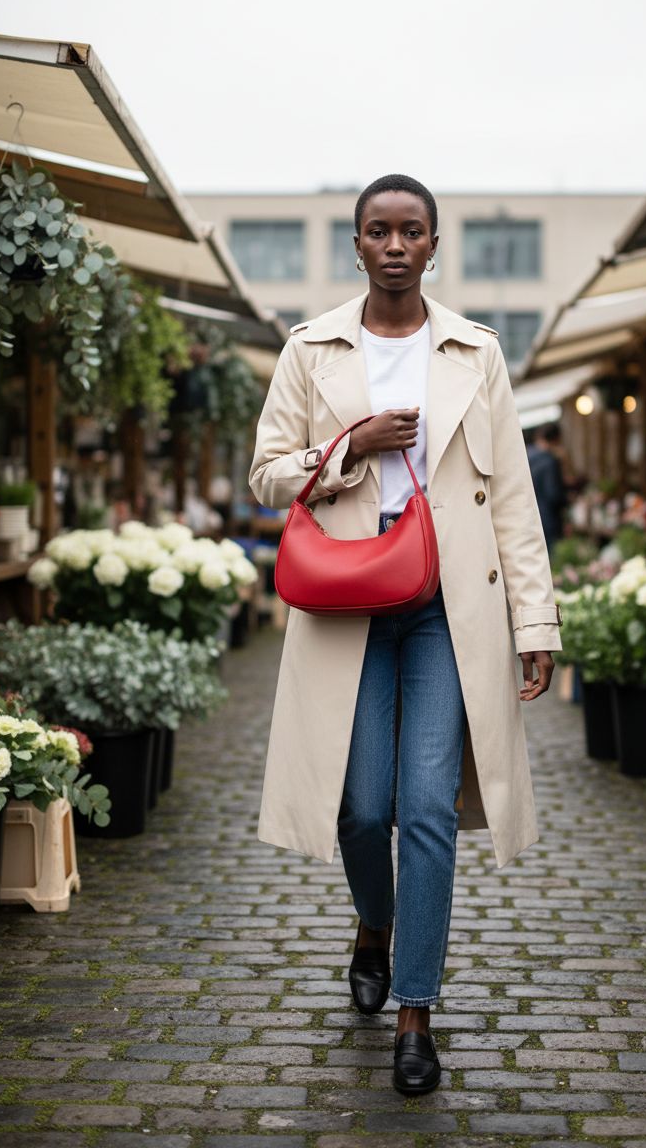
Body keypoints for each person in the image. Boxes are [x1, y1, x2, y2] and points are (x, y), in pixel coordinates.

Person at [249, 174, 562, 1096]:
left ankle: (416, 1014)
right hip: (348, 599)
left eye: (411, 231)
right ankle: (374, 928)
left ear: (433, 245)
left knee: (427, 808)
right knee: (359, 808)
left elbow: (512, 496)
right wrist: (350, 445)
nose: (394, 244)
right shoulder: (311, 349)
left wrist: (533, 620)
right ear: (357, 246)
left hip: (446, 606)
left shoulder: (476, 352)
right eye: (378, 231)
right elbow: (267, 473)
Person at [525, 423, 567, 554]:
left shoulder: (525, 456)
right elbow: (554, 494)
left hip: (527, 517)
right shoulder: (549, 461)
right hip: (548, 519)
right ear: (556, 439)